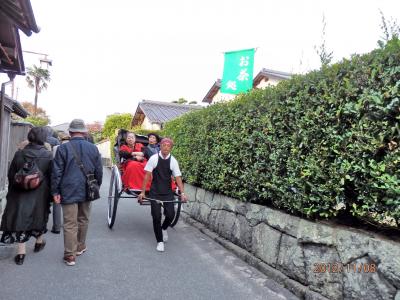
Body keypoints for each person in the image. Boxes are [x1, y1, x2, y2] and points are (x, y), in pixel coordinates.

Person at [51, 119, 103, 266]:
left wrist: (55, 191)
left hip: (67, 189)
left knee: (69, 223)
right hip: (87, 189)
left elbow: (57, 172)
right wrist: (96, 186)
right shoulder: (93, 148)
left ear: (70, 132)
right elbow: (99, 171)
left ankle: (70, 255)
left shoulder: (63, 148)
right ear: (85, 132)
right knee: (83, 219)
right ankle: (80, 246)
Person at [0, 127, 53, 265]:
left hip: (19, 192)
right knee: (39, 216)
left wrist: (16, 187)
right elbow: (52, 176)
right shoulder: (48, 155)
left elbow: (11, 175)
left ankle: (21, 253)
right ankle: (39, 242)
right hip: (40, 193)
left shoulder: (19, 154)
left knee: (20, 219)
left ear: (29, 137)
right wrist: (52, 193)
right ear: (44, 138)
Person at [138, 137, 188, 252]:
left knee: (170, 215)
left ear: (171, 148)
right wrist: (142, 192)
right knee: (156, 217)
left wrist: (183, 193)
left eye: (168, 146)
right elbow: (147, 175)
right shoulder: (154, 158)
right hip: (155, 192)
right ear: (160, 146)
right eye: (164, 145)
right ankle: (159, 241)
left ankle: (164, 228)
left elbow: (178, 178)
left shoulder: (173, 161)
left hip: (167, 192)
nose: (166, 147)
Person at [50, 132, 70, 234]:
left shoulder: (56, 148)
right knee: (69, 203)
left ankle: (56, 227)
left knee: (56, 202)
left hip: (58, 177)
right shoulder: (73, 147)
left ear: (60, 139)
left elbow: (54, 163)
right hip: (70, 178)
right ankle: (68, 224)